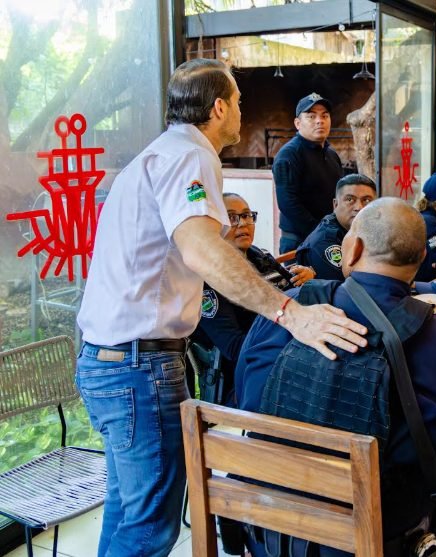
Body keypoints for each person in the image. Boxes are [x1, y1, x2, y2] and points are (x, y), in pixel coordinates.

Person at [74, 59, 367, 557]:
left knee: (129, 514)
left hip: (111, 358)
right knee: (150, 528)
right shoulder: (190, 155)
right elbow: (202, 249)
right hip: (137, 365)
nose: (240, 111)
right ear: (218, 107)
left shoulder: (163, 153)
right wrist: (290, 314)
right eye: (238, 102)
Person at [235, 199, 436, 556]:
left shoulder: (287, 312)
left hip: (274, 530)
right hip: (384, 536)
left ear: (354, 249)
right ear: (422, 257)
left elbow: (243, 396)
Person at [190, 193, 314, 406]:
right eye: (232, 218)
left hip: (286, 358)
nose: (243, 224)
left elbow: (296, 297)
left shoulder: (259, 257)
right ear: (214, 225)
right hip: (245, 382)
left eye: (247, 215)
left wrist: (307, 279)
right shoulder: (209, 278)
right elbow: (235, 348)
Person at [273, 92, 344, 252]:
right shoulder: (289, 155)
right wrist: (319, 231)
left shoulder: (331, 154)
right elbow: (288, 203)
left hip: (327, 237)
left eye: (324, 116)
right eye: (311, 117)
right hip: (300, 240)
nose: (319, 121)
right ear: (298, 123)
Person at [295, 173, 377, 281]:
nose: (359, 207)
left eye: (366, 200)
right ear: (336, 205)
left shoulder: (370, 227)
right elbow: (349, 289)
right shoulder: (325, 242)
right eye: (350, 200)